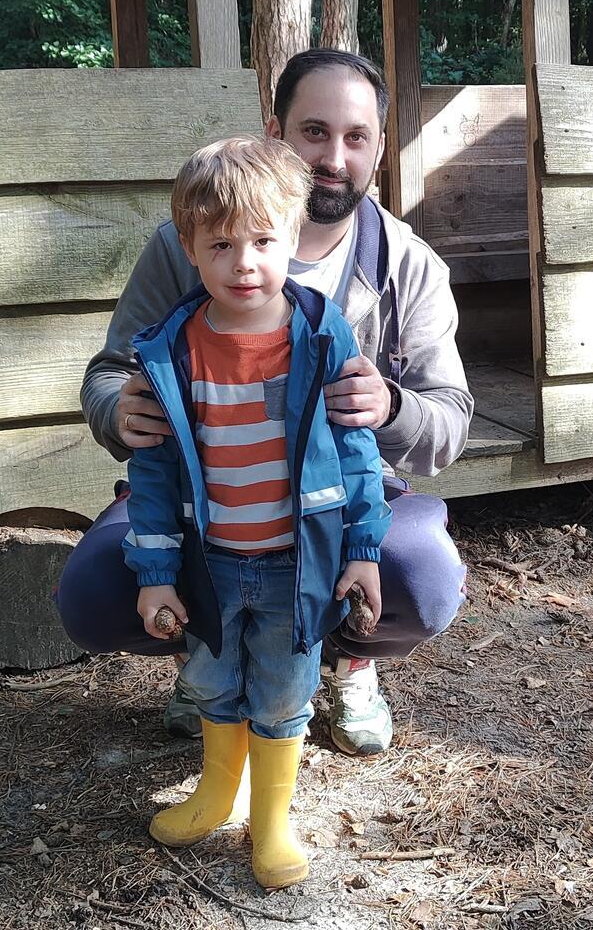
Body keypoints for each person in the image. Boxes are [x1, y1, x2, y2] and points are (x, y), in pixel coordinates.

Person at [56, 48, 472, 756]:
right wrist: (116, 409)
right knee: (93, 590)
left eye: (356, 137)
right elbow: (110, 370)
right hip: (203, 495)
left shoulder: (409, 265)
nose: (333, 157)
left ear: (377, 147)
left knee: (422, 572)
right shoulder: (183, 245)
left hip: (339, 502)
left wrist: (391, 405)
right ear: (276, 131)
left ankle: (346, 663)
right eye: (314, 131)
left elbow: (449, 420)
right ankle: (214, 658)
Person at [125, 135, 389, 888]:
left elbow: (358, 450)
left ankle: (271, 820)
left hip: (294, 561)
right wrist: (155, 572)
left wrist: (363, 548)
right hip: (210, 562)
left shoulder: (319, 333)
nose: (245, 263)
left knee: (283, 689)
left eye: (265, 241)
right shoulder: (171, 350)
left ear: (293, 235)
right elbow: (152, 470)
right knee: (210, 681)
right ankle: (216, 795)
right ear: (189, 248)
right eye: (221, 245)